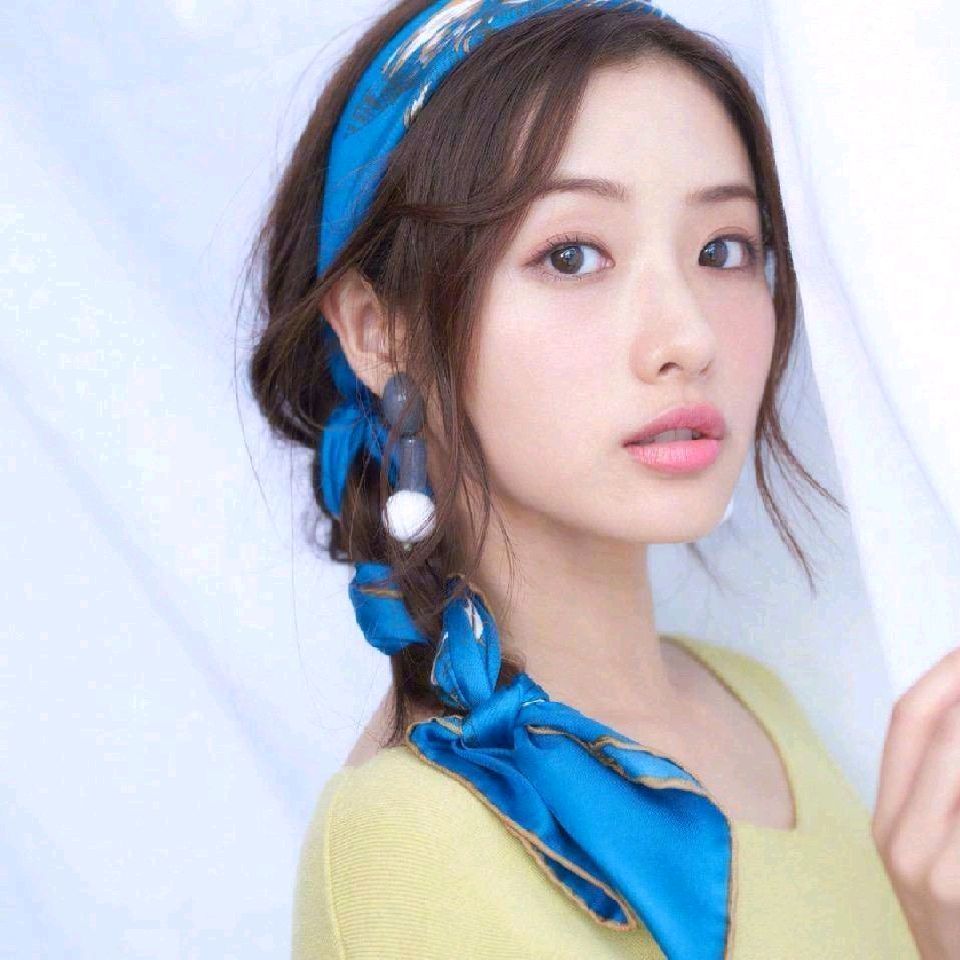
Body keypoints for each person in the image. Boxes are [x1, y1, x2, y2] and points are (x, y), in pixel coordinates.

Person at [245, 1, 932, 956]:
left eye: (723, 249)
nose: (688, 336)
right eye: (572, 256)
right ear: (377, 330)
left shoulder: (758, 703)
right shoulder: (409, 841)